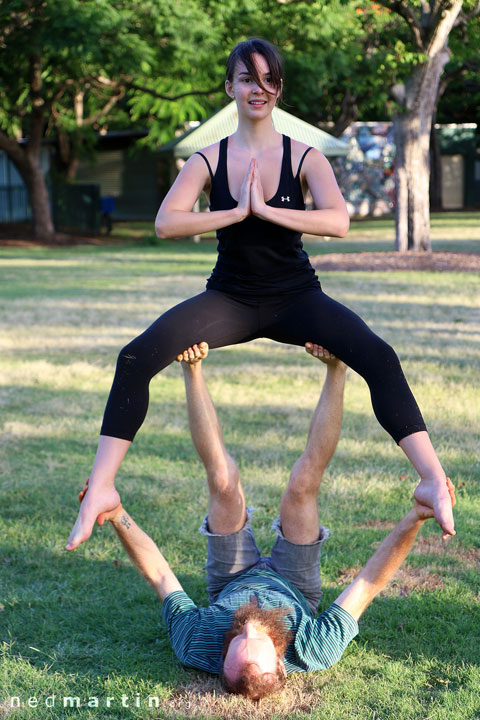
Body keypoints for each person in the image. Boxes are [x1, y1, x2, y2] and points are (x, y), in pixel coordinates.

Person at [66, 37, 454, 552]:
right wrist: (233, 212)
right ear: (230, 86)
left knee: (379, 356)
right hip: (229, 299)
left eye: (269, 79)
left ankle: (430, 477)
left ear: (279, 89)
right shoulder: (208, 159)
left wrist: (267, 209)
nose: (259, 89)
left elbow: (338, 222)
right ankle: (102, 487)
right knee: (135, 356)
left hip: (297, 296)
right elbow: (166, 222)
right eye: (247, 79)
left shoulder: (305, 156)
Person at [76, 343, 455, 701]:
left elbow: (159, 574)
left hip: (230, 578)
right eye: (255, 637)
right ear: (280, 661)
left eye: (235, 637)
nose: (247, 625)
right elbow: (368, 582)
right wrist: (415, 518)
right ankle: (337, 369)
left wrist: (116, 515)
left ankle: (192, 369)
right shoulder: (314, 650)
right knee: (302, 485)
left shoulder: (197, 643)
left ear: (222, 656)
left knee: (224, 483)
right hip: (295, 585)